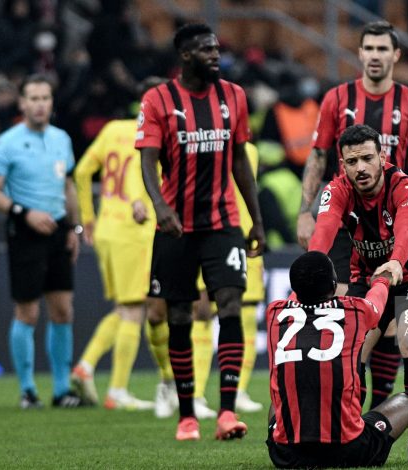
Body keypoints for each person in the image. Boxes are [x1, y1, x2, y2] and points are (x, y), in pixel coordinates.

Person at [297, 20, 408, 426]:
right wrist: (304, 215)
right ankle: (354, 422)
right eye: (369, 48)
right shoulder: (335, 101)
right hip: (357, 236)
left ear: (396, 55)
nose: (376, 55)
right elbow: (316, 161)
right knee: (352, 342)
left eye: (384, 48)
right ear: (360, 53)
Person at [136, 23, 266, 441]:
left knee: (230, 304)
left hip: (223, 222)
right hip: (176, 228)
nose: (215, 54)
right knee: (178, 314)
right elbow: (148, 161)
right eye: (206, 49)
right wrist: (160, 207)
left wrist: (256, 220)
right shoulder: (159, 99)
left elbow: (241, 163)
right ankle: (187, 414)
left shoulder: (234, 96)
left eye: (216, 48)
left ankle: (227, 412)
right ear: (186, 55)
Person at [266, 251, 408, 468]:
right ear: (333, 286)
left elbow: (300, 301)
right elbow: (376, 304)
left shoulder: (274, 313)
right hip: (347, 451)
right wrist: (382, 279)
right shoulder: (353, 311)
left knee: (282, 397)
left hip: (284, 454)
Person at [309, 124, 408, 462]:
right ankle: (350, 428)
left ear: (382, 157)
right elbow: (323, 233)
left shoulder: (406, 186)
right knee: (353, 351)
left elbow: (406, 230)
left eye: (368, 158)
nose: (361, 168)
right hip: (367, 276)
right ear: (342, 164)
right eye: (352, 162)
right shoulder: (337, 190)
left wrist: (396, 262)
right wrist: (310, 273)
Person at [69, 76, 179, 414]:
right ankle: (115, 388)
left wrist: (87, 216)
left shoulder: (113, 128)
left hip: (106, 228)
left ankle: (90, 369)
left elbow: (83, 171)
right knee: (136, 309)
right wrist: (137, 202)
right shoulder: (154, 133)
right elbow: (139, 176)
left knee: (125, 307)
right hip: (135, 230)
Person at [0, 73, 85, 408]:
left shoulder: (61, 139)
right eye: (33, 99)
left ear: (51, 103)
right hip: (25, 232)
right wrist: (25, 213)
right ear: (22, 103)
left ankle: (61, 389)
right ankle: (27, 389)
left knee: (62, 310)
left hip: (57, 230)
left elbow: (68, 185)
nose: (39, 105)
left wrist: (75, 228)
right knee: (27, 312)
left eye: (45, 98)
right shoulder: (8, 142)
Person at [191, 142, 266, 418]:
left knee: (245, 314)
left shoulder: (251, 150)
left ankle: (238, 391)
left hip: (241, 236)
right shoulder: (200, 142)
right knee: (200, 312)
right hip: (205, 234)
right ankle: (195, 394)